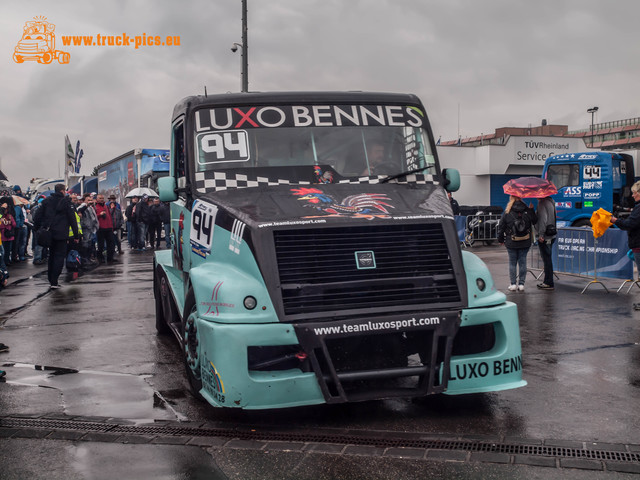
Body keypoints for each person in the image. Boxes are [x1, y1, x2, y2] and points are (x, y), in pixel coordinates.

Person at [32, 184, 79, 289]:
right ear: (62, 191)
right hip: (62, 234)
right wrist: (76, 235)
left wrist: (37, 228)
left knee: (51, 256)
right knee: (59, 257)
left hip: (49, 233)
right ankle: (54, 281)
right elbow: (73, 220)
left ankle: (50, 278)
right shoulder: (66, 203)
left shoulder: (47, 201)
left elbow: (37, 216)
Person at [497, 195, 537, 292]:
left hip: (511, 241)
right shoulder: (527, 210)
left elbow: (501, 227)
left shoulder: (507, 212)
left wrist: (501, 240)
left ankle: (513, 284)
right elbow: (535, 221)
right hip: (525, 241)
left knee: (512, 263)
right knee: (523, 262)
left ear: (511, 198)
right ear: (521, 198)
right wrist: (532, 210)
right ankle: (522, 284)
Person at [611, 181, 640, 280]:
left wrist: (616, 221)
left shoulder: (639, 208)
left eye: (634, 193)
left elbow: (630, 224)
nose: (632, 195)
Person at [535, 196, 557, 290]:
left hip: (545, 236)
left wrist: (541, 235)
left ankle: (548, 282)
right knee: (548, 259)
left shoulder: (542, 204)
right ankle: (548, 281)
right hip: (552, 235)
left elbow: (543, 220)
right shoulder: (551, 202)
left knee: (546, 260)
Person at [94, 194, 115, 263]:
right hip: (101, 228)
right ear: (97, 199)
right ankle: (100, 258)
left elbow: (109, 217)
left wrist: (111, 227)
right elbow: (93, 217)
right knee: (101, 245)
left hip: (108, 227)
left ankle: (110, 258)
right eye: (100, 198)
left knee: (111, 243)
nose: (101, 199)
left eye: (102, 198)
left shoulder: (106, 206)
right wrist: (100, 214)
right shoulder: (95, 207)